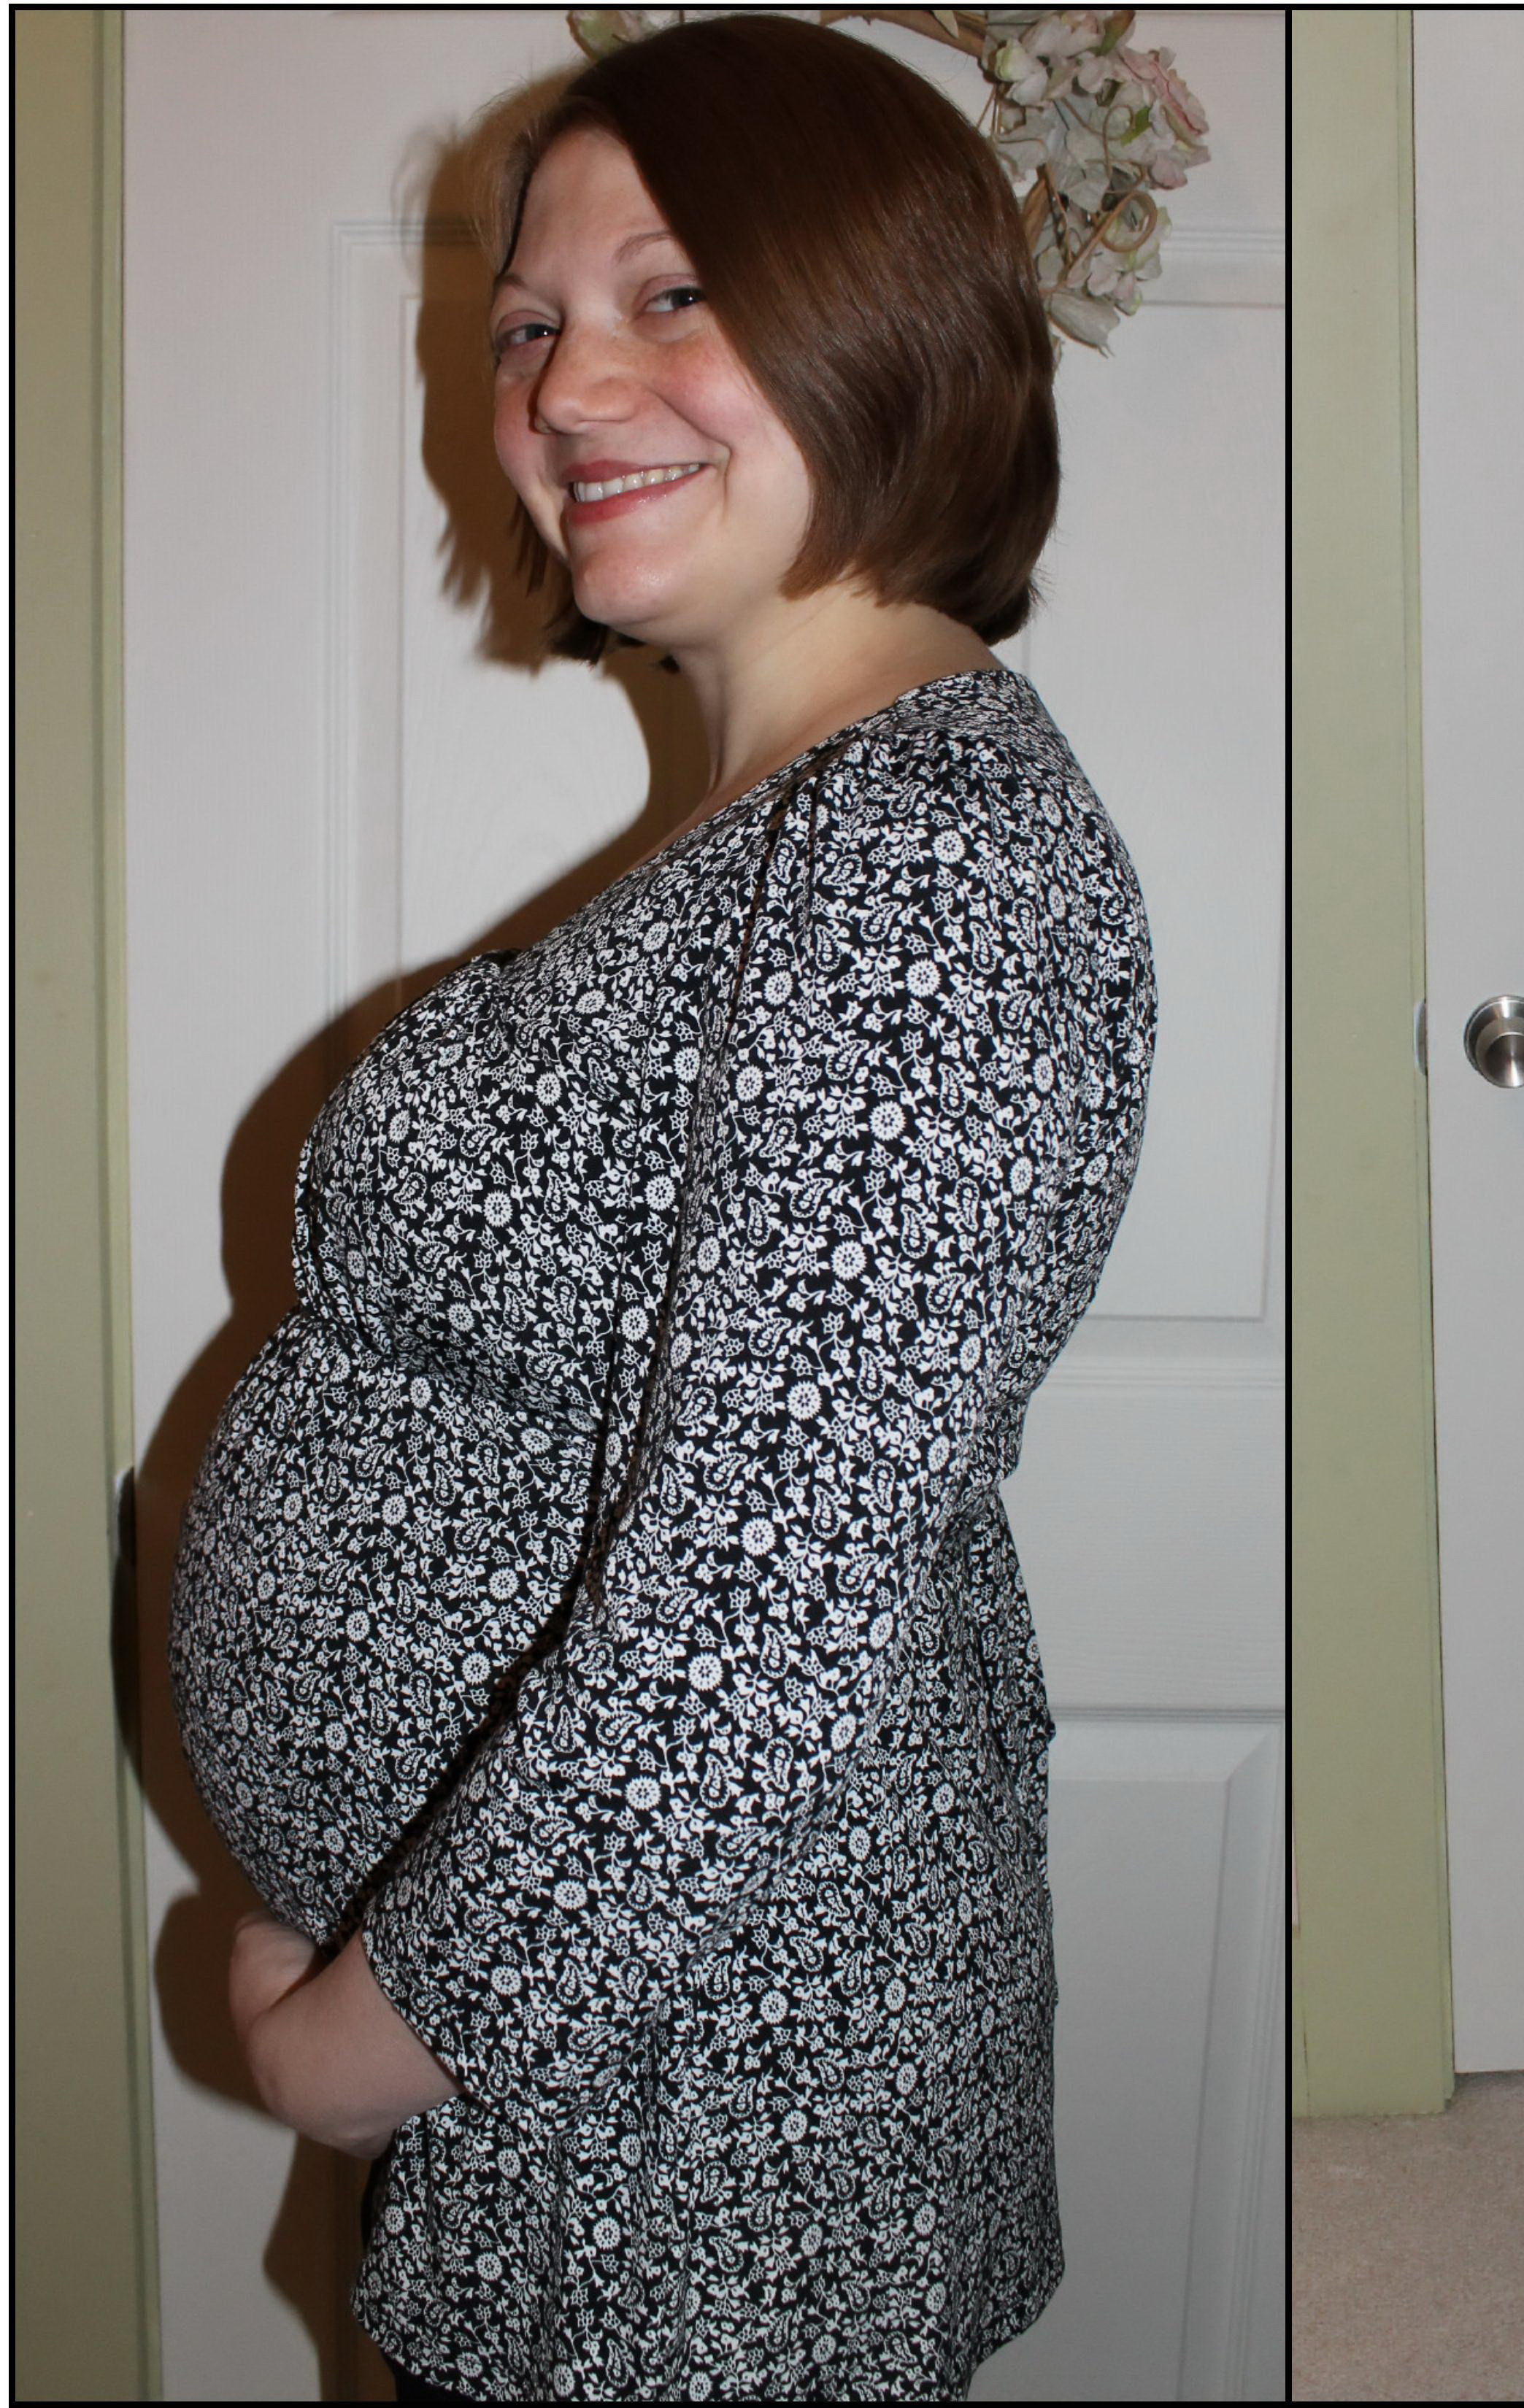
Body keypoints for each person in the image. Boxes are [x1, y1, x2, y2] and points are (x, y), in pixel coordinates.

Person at [166, 16, 1153, 2400]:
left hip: (699, 2089)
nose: (563, 384)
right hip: (610, 2037)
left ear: (889, 310)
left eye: (669, 293)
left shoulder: (926, 853)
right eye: (528, 323)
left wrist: (356, 2040)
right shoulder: (802, 821)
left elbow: (751, 1614)